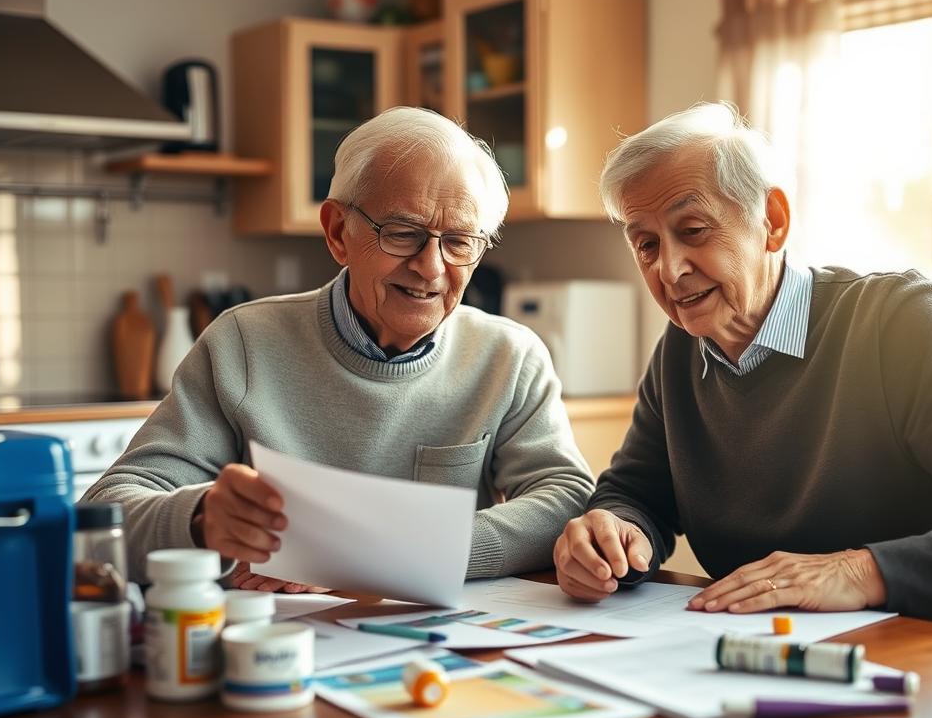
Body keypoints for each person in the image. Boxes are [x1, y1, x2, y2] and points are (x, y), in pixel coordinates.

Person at [552, 102, 932, 625]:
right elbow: (637, 494)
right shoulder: (680, 352)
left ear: (772, 221)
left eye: (694, 230)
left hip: (929, 671)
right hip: (749, 663)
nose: (670, 269)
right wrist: (612, 533)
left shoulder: (898, 325)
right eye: (647, 245)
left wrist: (857, 572)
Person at [83, 107, 594, 591]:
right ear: (337, 232)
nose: (432, 267)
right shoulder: (242, 344)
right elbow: (102, 514)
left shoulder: (510, 355)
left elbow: (565, 501)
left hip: (438, 653)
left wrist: (374, 552)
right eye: (403, 233)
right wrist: (197, 519)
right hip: (277, 652)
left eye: (459, 241)